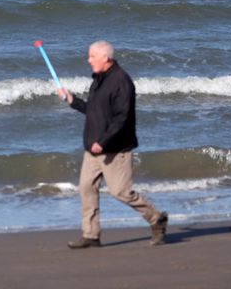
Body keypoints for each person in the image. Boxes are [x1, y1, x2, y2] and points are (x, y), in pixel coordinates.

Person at [58, 40, 168, 248]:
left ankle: (156, 219)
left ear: (105, 58)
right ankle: (91, 235)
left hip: (115, 149)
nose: (88, 60)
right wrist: (73, 101)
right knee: (86, 188)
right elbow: (95, 110)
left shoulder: (122, 81)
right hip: (93, 149)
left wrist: (104, 141)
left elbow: (122, 118)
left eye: (92, 56)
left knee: (121, 192)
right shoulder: (99, 79)